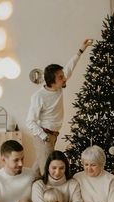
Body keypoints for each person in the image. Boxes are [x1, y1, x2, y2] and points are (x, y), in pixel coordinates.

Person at [26, 39, 93, 177]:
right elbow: (30, 121)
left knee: (37, 169)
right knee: (47, 171)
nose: (64, 79)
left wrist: (81, 49)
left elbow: (70, 66)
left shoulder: (58, 86)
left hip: (53, 135)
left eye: (63, 76)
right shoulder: (39, 96)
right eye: (61, 77)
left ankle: (27, 193)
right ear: (52, 81)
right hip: (44, 135)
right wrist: (44, 137)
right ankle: (48, 197)